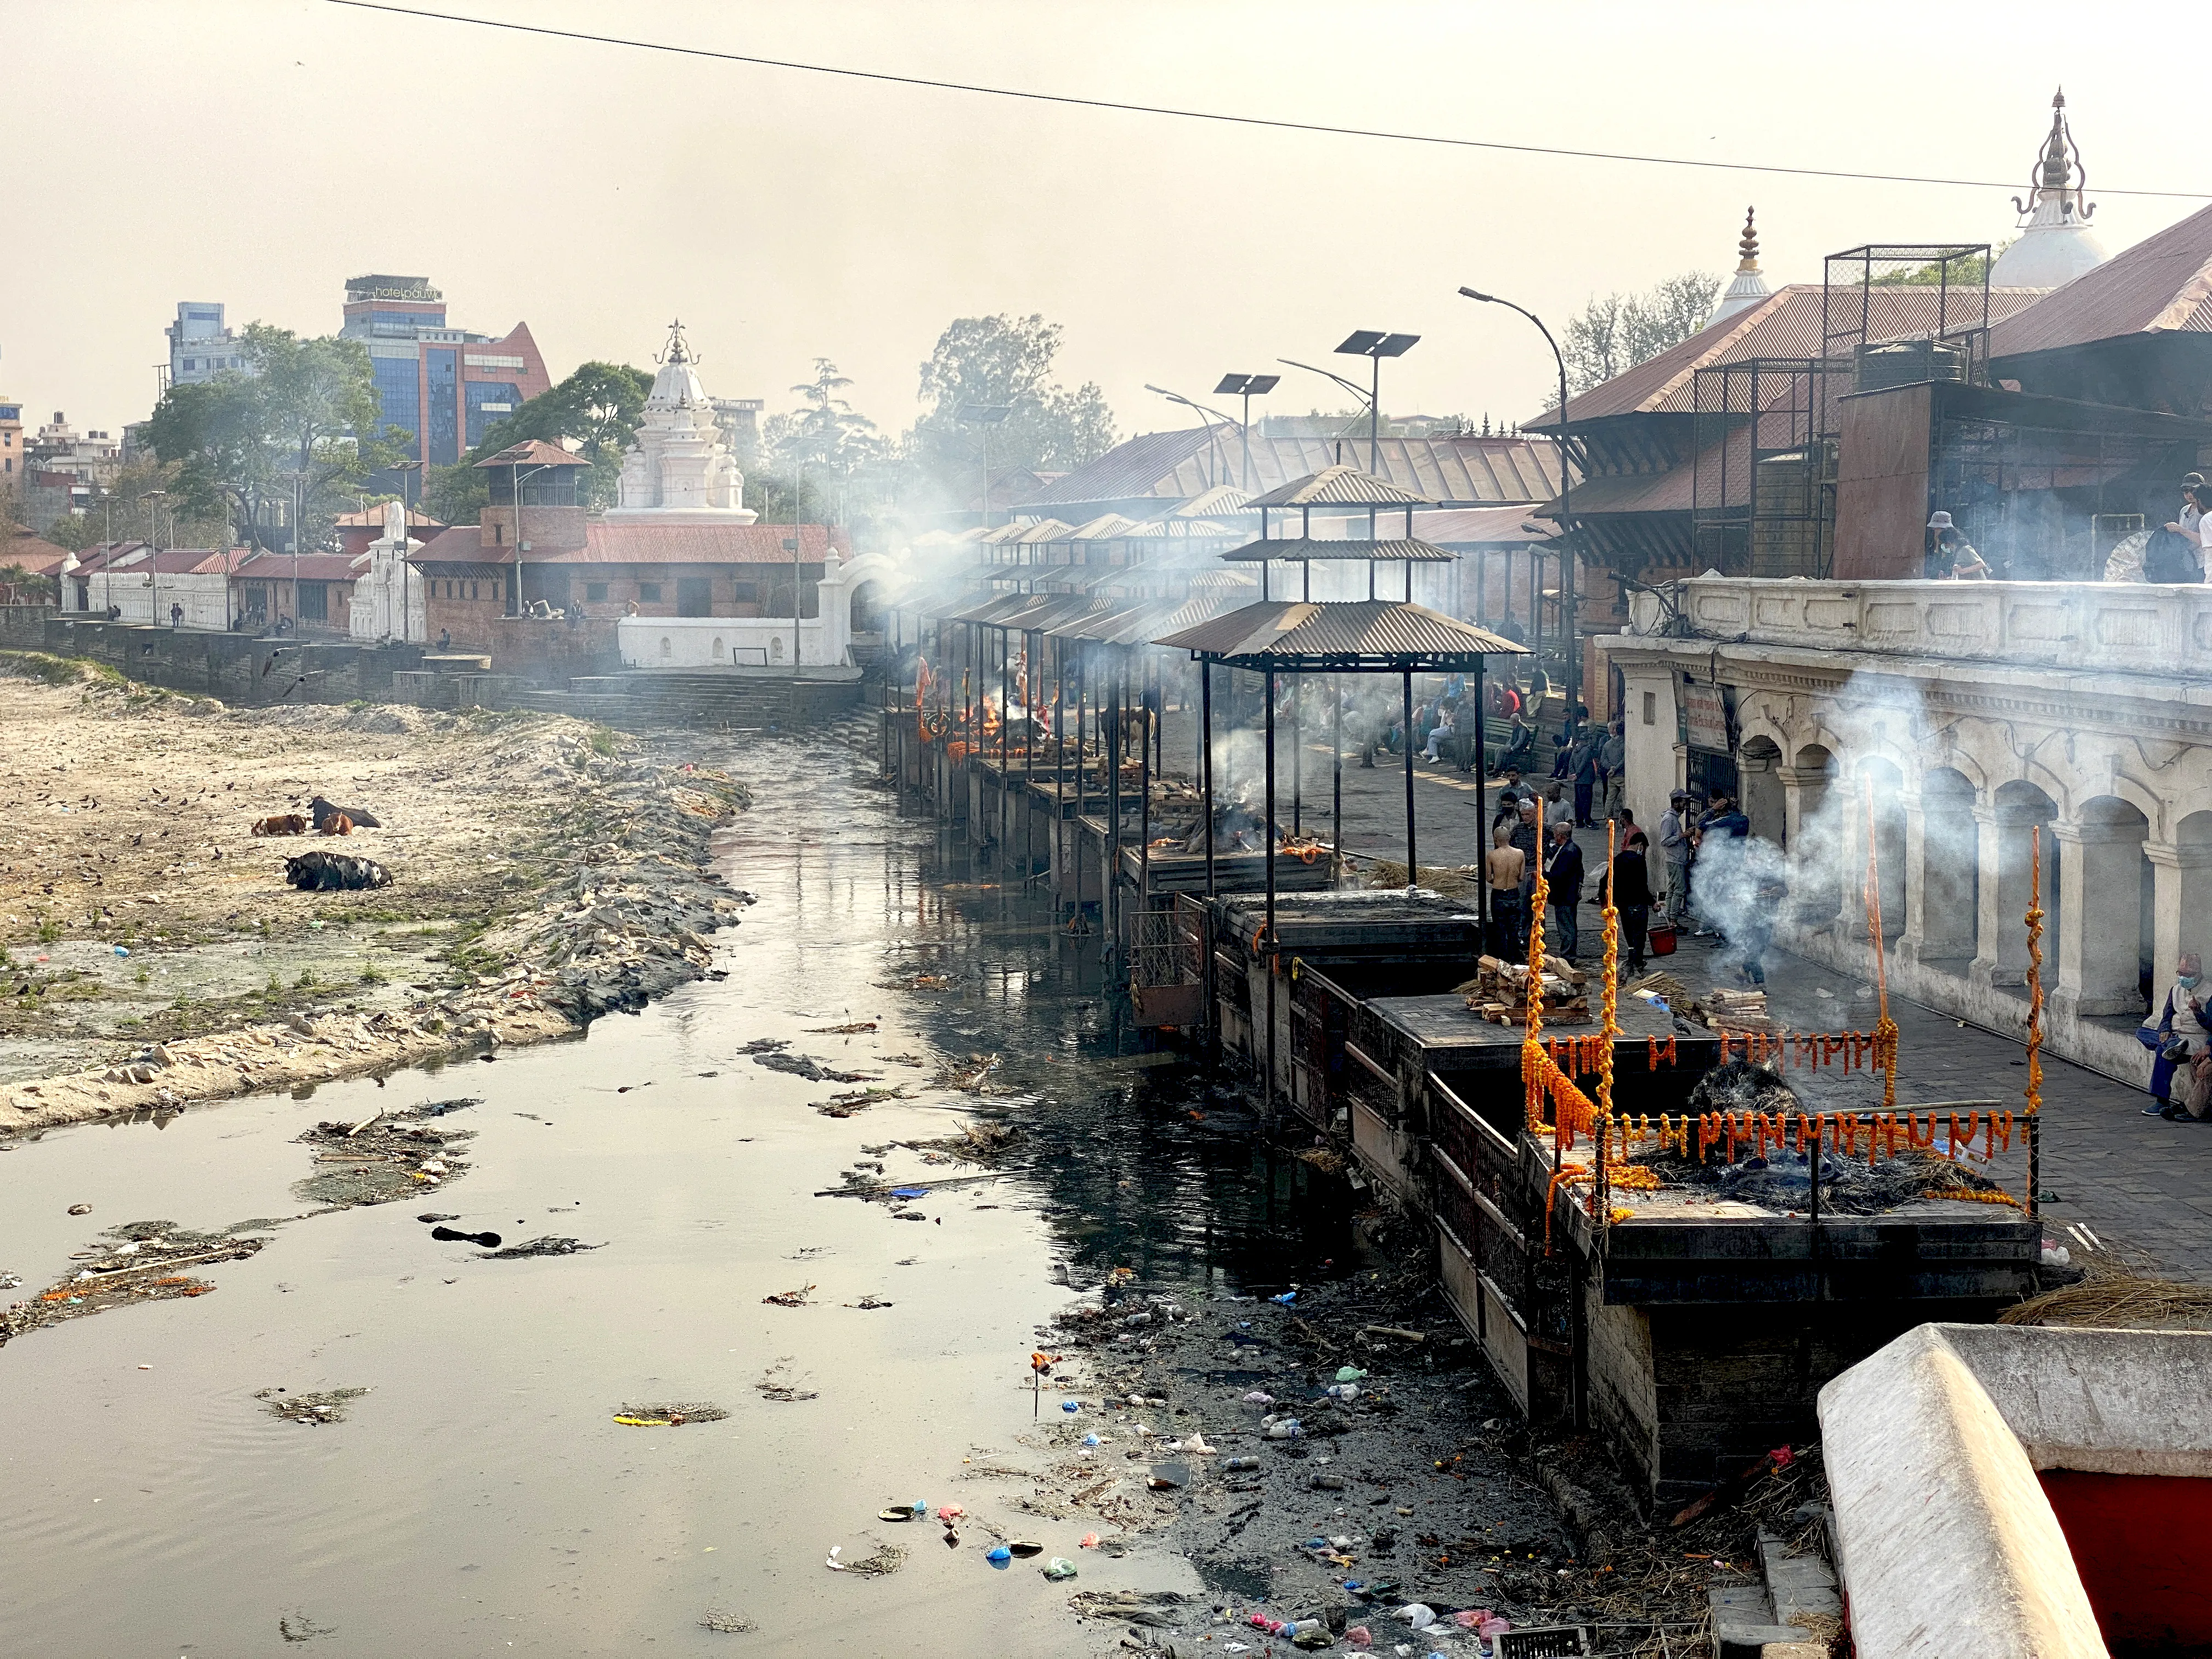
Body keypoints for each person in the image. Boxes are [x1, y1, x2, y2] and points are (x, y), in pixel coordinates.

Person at [2142, 952, 2212, 1120]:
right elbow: (2166, 1016)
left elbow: (2211, 1026)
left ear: (2199, 973)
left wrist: (2198, 1013)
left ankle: (2162, 1101)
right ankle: (2172, 1044)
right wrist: (2164, 1030)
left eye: (2188, 975)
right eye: (2180, 974)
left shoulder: (2209, 992)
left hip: (2195, 1038)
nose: (2183, 978)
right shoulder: (2175, 990)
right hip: (2175, 1035)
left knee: (2162, 1052)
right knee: (2144, 1033)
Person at [1602, 828, 1653, 975]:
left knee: (1629, 932)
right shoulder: (1639, 860)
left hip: (1623, 904)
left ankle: (1632, 959)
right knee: (1640, 934)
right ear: (1640, 845)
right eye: (1644, 848)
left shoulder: (1617, 859)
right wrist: (1653, 901)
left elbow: (1606, 880)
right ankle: (1637, 962)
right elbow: (1643, 885)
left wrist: (1608, 898)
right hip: (1638, 903)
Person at [1734, 872, 1788, 988]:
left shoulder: (1775, 874)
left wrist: (1778, 890)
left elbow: (1785, 892)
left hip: (1767, 922)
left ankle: (1743, 971)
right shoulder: (1750, 874)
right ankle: (1759, 982)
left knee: (1760, 950)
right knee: (1754, 952)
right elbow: (1740, 893)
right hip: (1751, 922)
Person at [1544, 820, 1584, 961]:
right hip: (1567, 894)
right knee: (1568, 924)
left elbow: (1560, 875)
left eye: (1555, 834)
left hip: (1565, 895)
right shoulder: (1568, 848)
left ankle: (1568, 955)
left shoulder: (1569, 851)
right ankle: (1568, 953)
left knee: (1566, 926)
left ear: (1561, 835)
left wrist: (1544, 875)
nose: (1554, 836)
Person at [1486, 821, 1526, 959]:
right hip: (1514, 893)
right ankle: (1514, 955)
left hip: (1498, 893)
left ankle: (1502, 957)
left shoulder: (1492, 855)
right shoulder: (1520, 853)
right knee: (1514, 928)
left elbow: (1489, 878)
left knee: (1500, 928)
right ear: (1509, 838)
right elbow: (1521, 877)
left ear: (1495, 839)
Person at [1658, 791, 1692, 926]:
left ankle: (1670, 918)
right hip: (1675, 859)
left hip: (1677, 859)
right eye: (1683, 803)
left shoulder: (1673, 818)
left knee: (1673, 888)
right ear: (1676, 803)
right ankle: (1673, 921)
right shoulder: (1669, 819)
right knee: (1679, 890)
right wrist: (1682, 836)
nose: (1685, 806)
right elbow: (1665, 841)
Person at [1927, 511, 1989, 580]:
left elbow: (1981, 565)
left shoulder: (1966, 549)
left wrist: (1962, 571)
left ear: (1949, 542)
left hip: (1977, 587)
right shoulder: (1955, 552)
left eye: (1937, 529)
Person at [1598, 718, 1626, 822]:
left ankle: (1607, 818)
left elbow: (1603, 760)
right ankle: (1625, 819)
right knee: (1625, 799)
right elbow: (1624, 759)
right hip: (1621, 775)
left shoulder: (1607, 744)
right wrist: (1616, 768)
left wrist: (1611, 768)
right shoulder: (1624, 743)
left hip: (1611, 775)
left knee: (1610, 798)